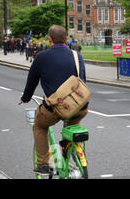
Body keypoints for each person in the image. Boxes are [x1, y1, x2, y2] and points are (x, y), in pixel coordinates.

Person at [20, 25, 88, 174]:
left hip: (55, 108)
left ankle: (43, 164)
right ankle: (74, 151)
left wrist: (26, 98)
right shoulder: (77, 56)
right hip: (80, 107)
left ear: (49, 40)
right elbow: (83, 80)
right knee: (73, 121)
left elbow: (31, 82)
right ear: (66, 39)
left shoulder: (41, 57)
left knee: (39, 126)